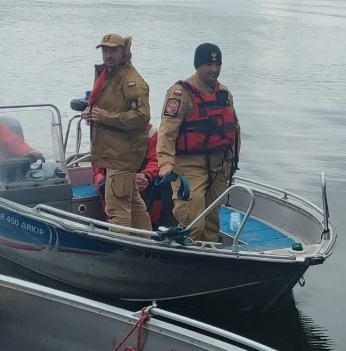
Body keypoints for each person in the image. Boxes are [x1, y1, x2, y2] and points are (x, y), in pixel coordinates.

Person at [156, 43, 241, 243]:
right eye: (208, 64)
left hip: (218, 166)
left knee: (211, 222)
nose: (214, 69)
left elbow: (233, 129)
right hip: (188, 167)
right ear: (198, 65)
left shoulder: (224, 94)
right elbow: (167, 131)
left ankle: (209, 259)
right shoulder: (180, 93)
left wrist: (231, 162)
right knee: (192, 222)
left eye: (217, 64)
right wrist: (165, 162)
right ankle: (179, 262)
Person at [83, 33, 153, 233]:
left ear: (124, 52)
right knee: (135, 207)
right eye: (105, 50)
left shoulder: (132, 81)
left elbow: (142, 116)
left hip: (121, 158)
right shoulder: (108, 75)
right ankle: (144, 246)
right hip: (113, 157)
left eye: (113, 50)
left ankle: (121, 256)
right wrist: (91, 114)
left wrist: (105, 117)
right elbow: (104, 106)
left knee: (117, 213)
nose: (108, 55)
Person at [92, 123, 165, 228]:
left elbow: (155, 159)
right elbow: (97, 167)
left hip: (137, 176)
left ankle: (148, 232)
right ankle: (127, 238)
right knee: (107, 190)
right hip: (112, 177)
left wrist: (145, 176)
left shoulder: (149, 131)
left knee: (156, 186)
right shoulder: (103, 128)